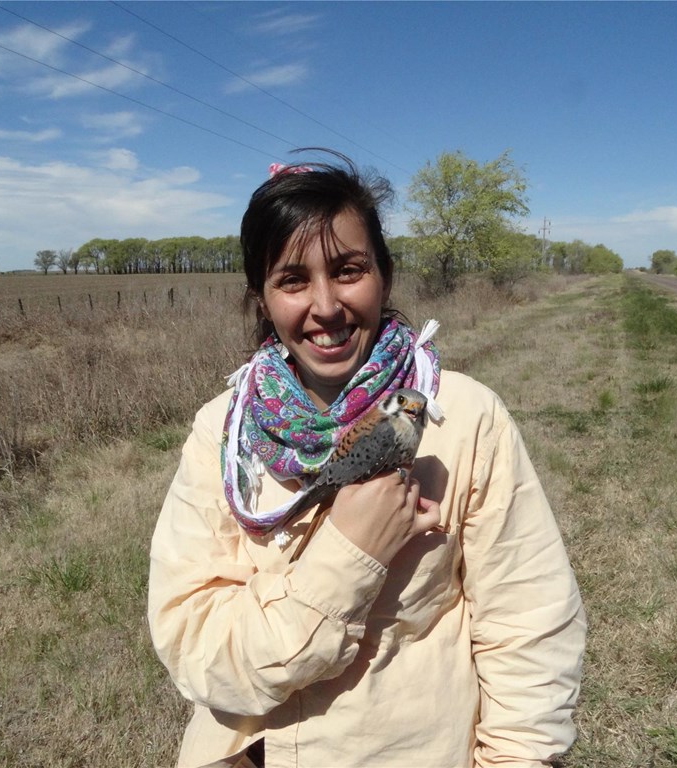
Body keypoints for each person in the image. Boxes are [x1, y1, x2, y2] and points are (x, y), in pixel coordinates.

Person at [148, 153, 586, 767]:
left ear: (383, 274)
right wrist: (349, 553)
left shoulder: (463, 416)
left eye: (348, 270)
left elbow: (529, 633)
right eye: (293, 280)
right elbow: (194, 647)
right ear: (262, 298)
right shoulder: (223, 431)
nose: (325, 306)